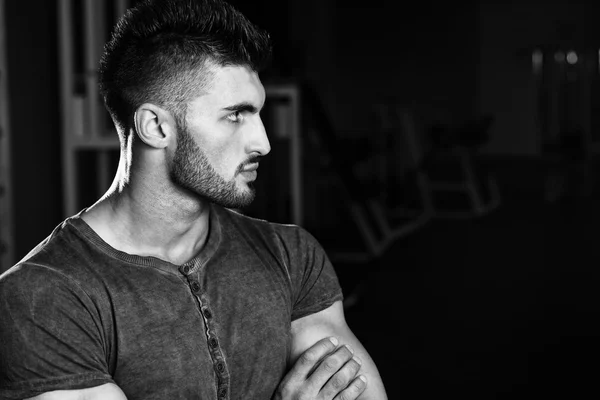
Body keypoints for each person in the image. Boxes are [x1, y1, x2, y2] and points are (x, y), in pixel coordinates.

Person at [0, 0, 388, 399]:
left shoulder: (291, 254)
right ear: (155, 126)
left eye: (258, 114)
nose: (264, 143)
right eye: (235, 115)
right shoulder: (43, 296)